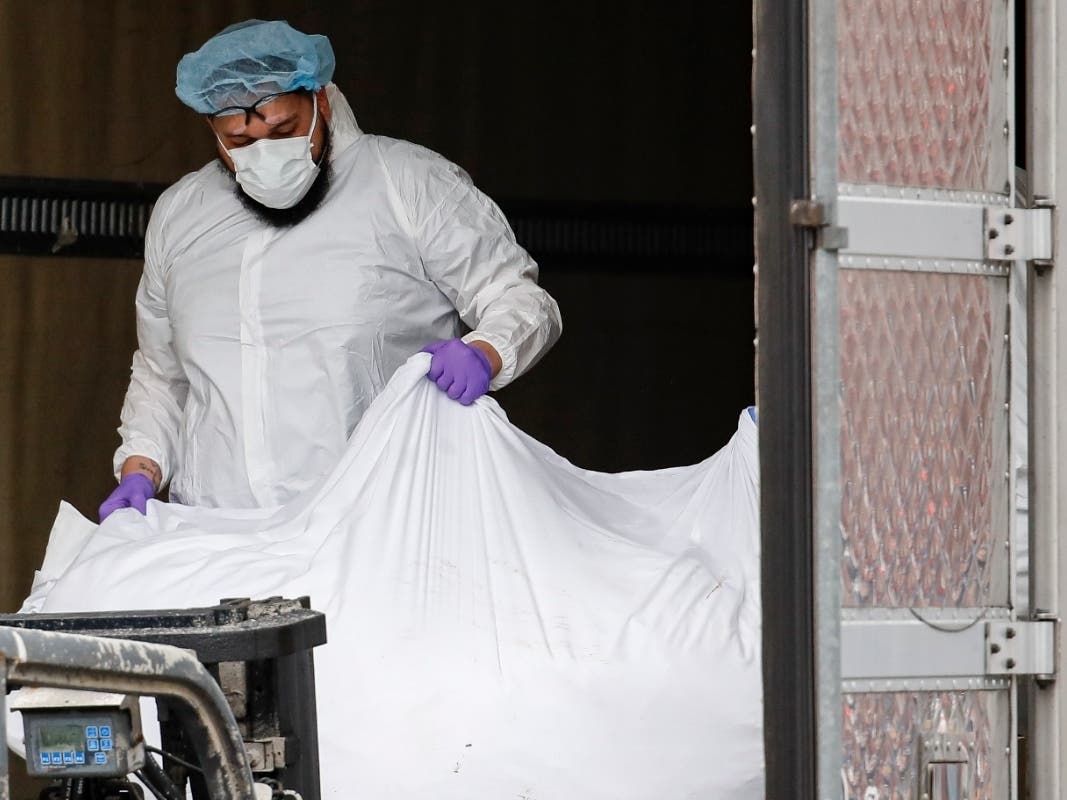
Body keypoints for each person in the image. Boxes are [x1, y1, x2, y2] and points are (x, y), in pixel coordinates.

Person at [98, 19, 561, 518]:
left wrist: (487, 351)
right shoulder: (181, 215)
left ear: (319, 100)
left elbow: (520, 299)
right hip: (219, 533)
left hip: (379, 526)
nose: (264, 154)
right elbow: (162, 373)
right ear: (213, 131)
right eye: (239, 139)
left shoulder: (406, 182)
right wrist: (141, 468)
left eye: (283, 130)